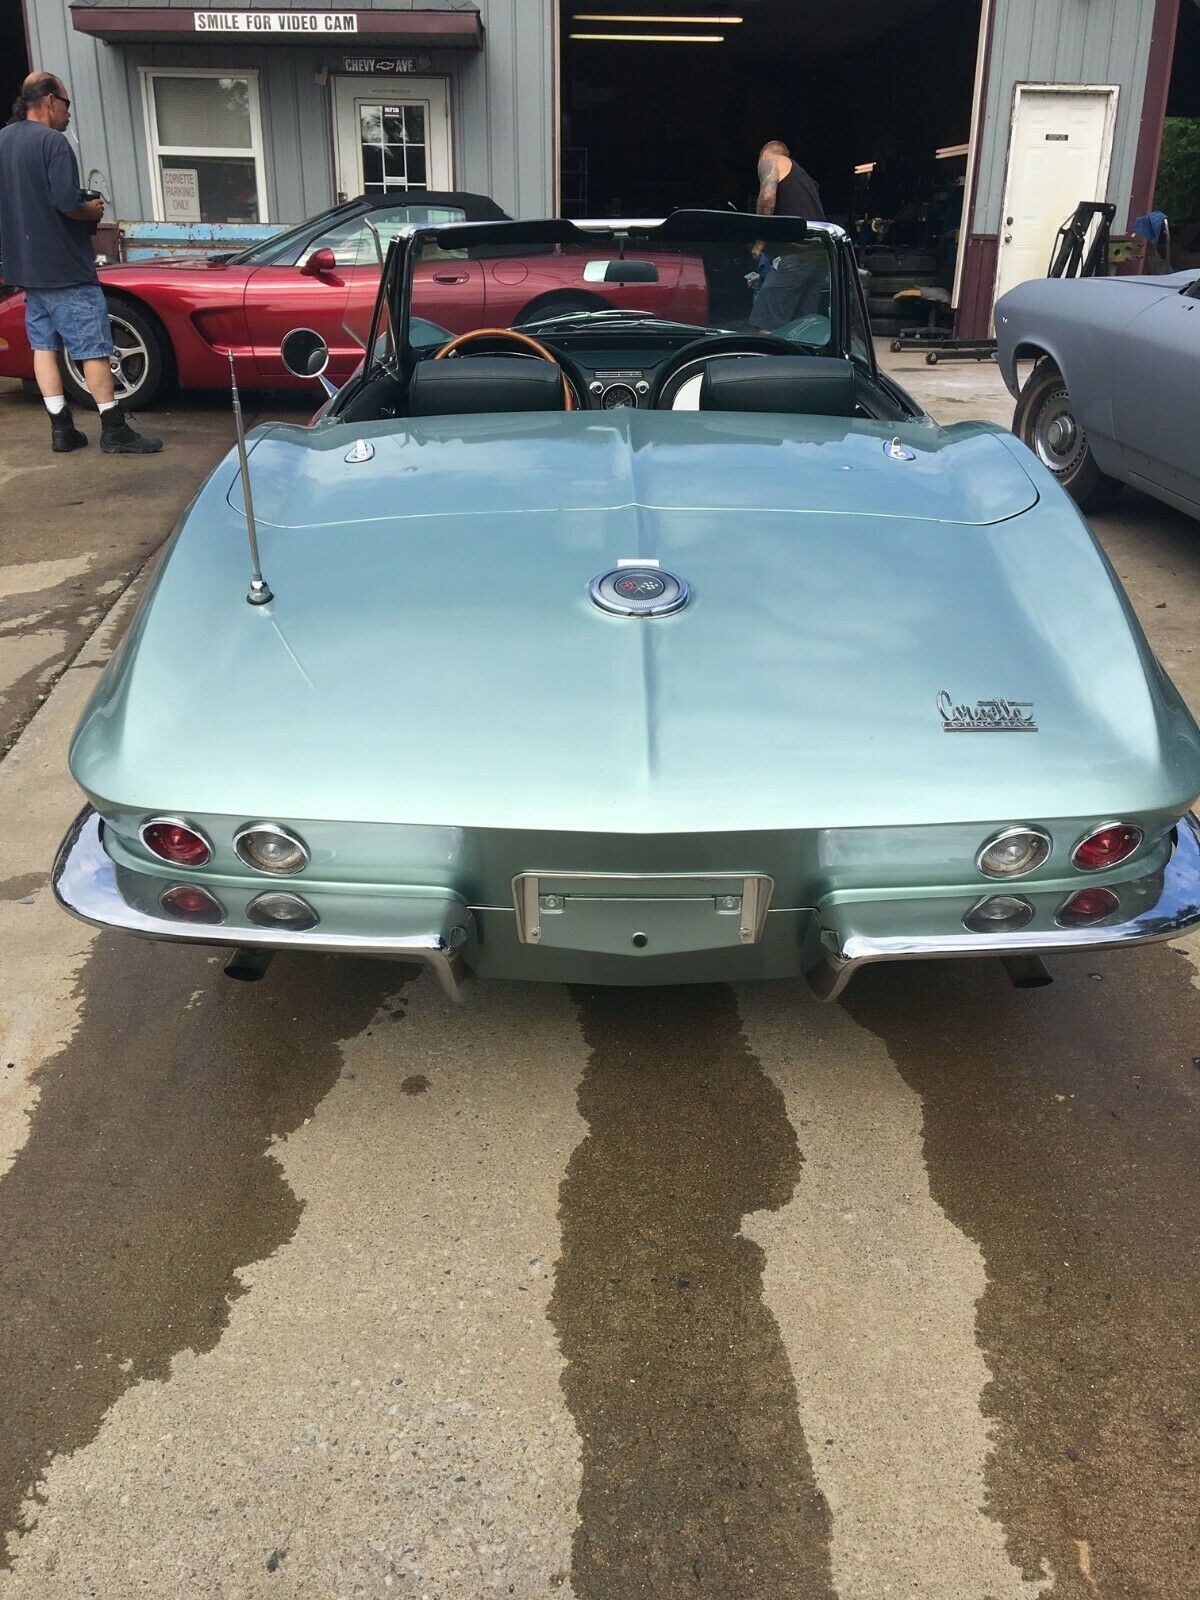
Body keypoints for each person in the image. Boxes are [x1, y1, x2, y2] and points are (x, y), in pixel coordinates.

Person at [0, 72, 160, 455]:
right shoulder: (53, 143)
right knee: (92, 348)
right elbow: (67, 203)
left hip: (26, 270)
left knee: (44, 346)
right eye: (67, 104)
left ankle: (61, 429)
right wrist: (90, 208)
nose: (69, 114)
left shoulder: (3, 141)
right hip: (67, 269)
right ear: (50, 101)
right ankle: (113, 429)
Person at [748, 139, 826, 333]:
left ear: (764, 154)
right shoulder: (804, 177)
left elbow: (767, 196)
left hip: (796, 253)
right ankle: (802, 362)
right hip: (818, 256)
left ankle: (768, 363)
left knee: (766, 325)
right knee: (803, 328)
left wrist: (760, 239)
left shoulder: (771, 160)